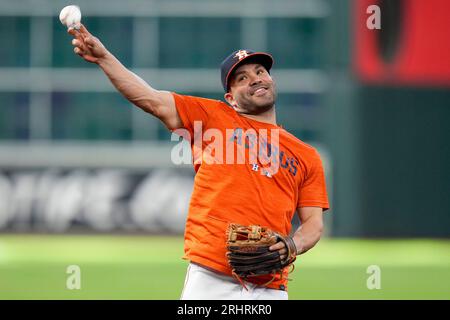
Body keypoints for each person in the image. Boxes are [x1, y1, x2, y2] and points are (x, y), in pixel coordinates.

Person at [67, 24, 329, 300]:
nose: (254, 79)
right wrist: (104, 58)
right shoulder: (211, 117)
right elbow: (150, 99)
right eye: (241, 78)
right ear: (231, 99)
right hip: (210, 278)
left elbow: (313, 224)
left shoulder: (306, 155)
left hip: (270, 286)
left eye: (260, 72)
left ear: (271, 80)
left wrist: (291, 244)